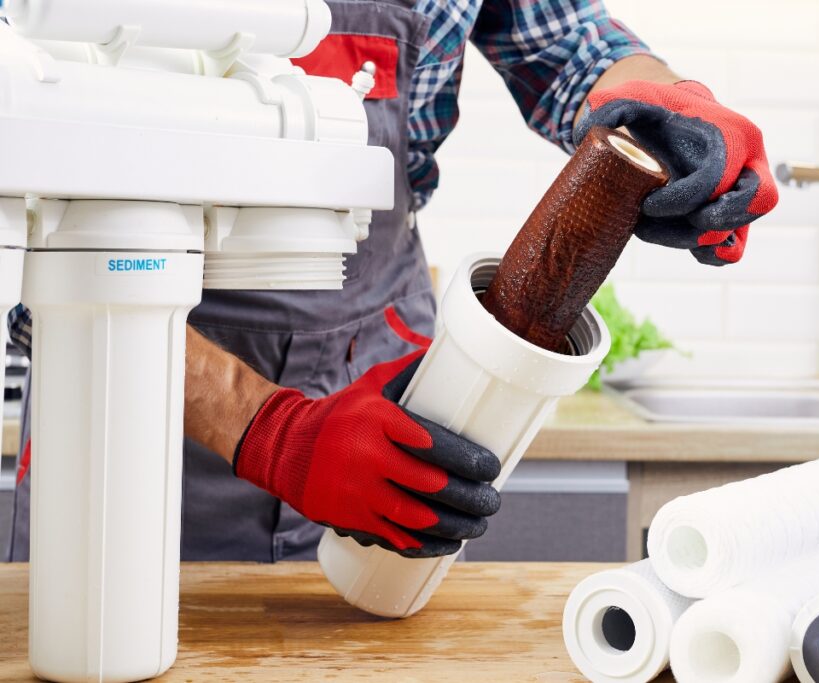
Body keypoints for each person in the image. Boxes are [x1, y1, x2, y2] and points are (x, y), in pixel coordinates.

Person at [5, 0, 777, 562]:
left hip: (382, 383)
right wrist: (268, 428)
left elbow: (565, 38)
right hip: (123, 365)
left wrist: (660, 102)